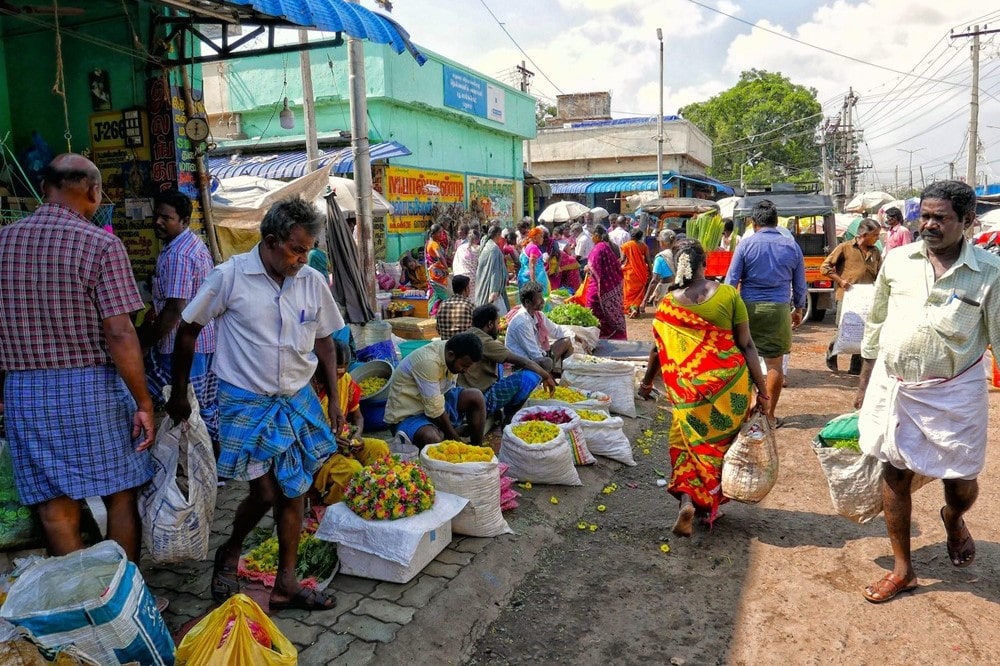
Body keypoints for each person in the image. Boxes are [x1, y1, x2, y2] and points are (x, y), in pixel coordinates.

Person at [167, 196, 344, 611]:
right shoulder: (228, 278)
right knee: (264, 492)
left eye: (309, 249)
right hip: (245, 401)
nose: (303, 258)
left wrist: (334, 398)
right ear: (270, 241)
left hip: (297, 398)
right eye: (297, 249)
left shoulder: (311, 280)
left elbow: (324, 341)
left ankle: (286, 583)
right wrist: (178, 393)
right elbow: (187, 330)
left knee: (295, 490)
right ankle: (230, 549)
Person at [0, 154, 154, 564]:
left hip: (25, 390)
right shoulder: (101, 243)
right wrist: (143, 401)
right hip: (90, 388)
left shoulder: (3, 242)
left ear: (46, 188)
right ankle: (123, 598)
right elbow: (120, 331)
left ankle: (82, 602)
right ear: (91, 190)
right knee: (120, 491)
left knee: (54, 504)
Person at [854, 180, 1000, 603]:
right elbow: (877, 322)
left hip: (956, 393)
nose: (928, 225)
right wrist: (865, 383)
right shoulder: (898, 260)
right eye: (925, 215)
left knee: (960, 482)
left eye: (941, 217)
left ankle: (954, 520)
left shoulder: (989, 273)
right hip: (896, 386)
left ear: (968, 222)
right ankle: (903, 569)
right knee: (894, 473)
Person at [638, 241, 768, 536]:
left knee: (686, 445)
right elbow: (747, 344)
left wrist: (647, 382)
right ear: (704, 265)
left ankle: (688, 500)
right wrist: (763, 389)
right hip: (729, 388)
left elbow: (658, 351)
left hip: (688, 392)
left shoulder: (668, 304)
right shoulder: (728, 295)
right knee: (719, 448)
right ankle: (709, 502)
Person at [140, 188, 219, 450]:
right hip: (203, 341)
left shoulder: (178, 254)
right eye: (156, 216)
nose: (158, 222)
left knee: (184, 404)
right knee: (203, 406)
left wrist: (146, 343)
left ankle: (200, 462)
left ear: (184, 221)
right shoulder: (191, 244)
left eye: (166, 218)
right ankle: (210, 464)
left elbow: (175, 308)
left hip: (182, 346)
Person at [724, 199, 806, 427]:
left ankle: (750, 412)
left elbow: (731, 282)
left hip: (746, 310)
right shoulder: (791, 246)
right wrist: (798, 309)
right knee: (774, 365)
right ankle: (768, 416)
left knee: (746, 362)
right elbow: (800, 284)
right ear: (776, 221)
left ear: (753, 222)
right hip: (779, 310)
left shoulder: (745, 245)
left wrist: (727, 312)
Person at [311, 340, 390, 505]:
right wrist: (329, 441)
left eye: (343, 371)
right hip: (315, 453)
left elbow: (357, 417)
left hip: (343, 442)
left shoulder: (346, 382)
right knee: (352, 471)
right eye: (335, 372)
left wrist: (357, 435)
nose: (339, 377)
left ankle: (374, 496)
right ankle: (331, 506)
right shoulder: (306, 389)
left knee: (380, 448)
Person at [384, 332, 487, 448]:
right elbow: (435, 411)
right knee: (432, 438)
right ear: (451, 355)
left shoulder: (450, 352)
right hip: (409, 416)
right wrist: (458, 443)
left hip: (435, 405)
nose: (465, 370)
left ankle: (477, 447)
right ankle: (450, 434)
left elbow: (441, 401)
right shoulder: (429, 362)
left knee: (476, 396)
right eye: (463, 366)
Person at [459, 304, 557, 424]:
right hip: (480, 399)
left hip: (466, 396)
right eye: (497, 323)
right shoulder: (485, 342)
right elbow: (524, 362)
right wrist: (546, 376)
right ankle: (509, 417)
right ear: (490, 324)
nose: (499, 327)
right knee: (531, 376)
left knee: (505, 365)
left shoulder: (468, 334)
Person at [821, 218, 882, 375]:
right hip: (847, 297)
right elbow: (825, 267)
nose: (878, 238)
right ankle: (832, 352)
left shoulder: (875, 252)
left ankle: (855, 367)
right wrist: (840, 281)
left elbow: (881, 274)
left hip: (867, 298)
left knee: (863, 331)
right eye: (875, 235)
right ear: (864, 234)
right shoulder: (844, 248)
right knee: (844, 328)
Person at [505, 281, 575, 376]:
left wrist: (574, 335)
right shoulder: (521, 322)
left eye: (542, 297)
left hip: (538, 355)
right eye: (539, 299)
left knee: (567, 341)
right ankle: (549, 379)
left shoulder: (538, 315)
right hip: (524, 363)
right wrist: (547, 368)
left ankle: (565, 377)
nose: (543, 301)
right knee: (546, 362)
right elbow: (534, 355)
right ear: (527, 302)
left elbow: (556, 330)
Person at [585, 225, 628, 340]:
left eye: (592, 235)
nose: (591, 238)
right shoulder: (608, 246)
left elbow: (593, 267)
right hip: (611, 287)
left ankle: (598, 338)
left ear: (597, 236)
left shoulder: (598, 248)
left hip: (600, 288)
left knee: (593, 310)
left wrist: (587, 268)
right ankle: (616, 336)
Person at [475, 224, 511, 314]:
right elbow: (495, 272)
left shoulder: (486, 245)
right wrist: (494, 291)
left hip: (482, 283)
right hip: (491, 288)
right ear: (498, 235)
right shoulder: (493, 249)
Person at [621, 228, 650, 318]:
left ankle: (631, 309)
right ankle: (635, 309)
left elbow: (622, 260)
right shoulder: (644, 246)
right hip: (641, 273)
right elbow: (648, 260)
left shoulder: (626, 245)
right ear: (640, 236)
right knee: (639, 294)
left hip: (630, 273)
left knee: (629, 293)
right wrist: (651, 272)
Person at [436, 274, 475, 339]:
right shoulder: (470, 305)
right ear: (466, 289)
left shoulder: (442, 305)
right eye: (468, 287)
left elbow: (439, 330)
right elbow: (477, 330)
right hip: (465, 346)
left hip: (446, 346)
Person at [644, 228, 676, 307]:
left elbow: (654, 280)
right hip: (678, 290)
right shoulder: (679, 254)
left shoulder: (660, 257)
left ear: (662, 242)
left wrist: (644, 301)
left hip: (665, 291)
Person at [518, 226, 550, 297]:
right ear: (535, 238)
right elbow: (532, 265)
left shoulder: (528, 246)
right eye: (541, 236)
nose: (543, 239)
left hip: (525, 277)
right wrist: (533, 284)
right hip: (534, 279)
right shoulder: (533, 248)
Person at [452, 225, 480, 294]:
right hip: (475, 278)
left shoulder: (461, 248)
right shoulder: (480, 249)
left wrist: (457, 275)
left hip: (462, 277)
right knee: (474, 298)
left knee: (463, 297)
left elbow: (455, 264)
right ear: (478, 239)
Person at [425, 223, 450, 289]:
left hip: (433, 272)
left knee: (437, 294)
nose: (441, 234)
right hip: (437, 274)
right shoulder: (434, 244)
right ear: (433, 234)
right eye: (439, 233)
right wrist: (446, 268)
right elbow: (440, 256)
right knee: (442, 295)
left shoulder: (429, 242)